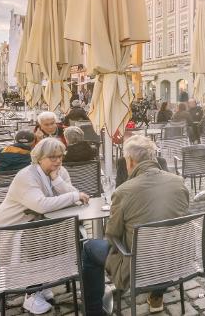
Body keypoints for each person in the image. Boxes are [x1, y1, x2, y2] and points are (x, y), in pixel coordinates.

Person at [81, 135, 189, 316]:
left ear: (130, 160)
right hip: (174, 257)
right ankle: (157, 294)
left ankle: (93, 312)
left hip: (138, 264)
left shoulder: (124, 191)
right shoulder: (178, 182)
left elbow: (112, 235)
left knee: (89, 248)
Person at [0, 137, 89, 315]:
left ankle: (43, 281)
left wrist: (57, 181)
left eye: (60, 156)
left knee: (58, 233)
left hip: (39, 224)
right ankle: (31, 293)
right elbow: (42, 204)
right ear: (39, 158)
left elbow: (73, 195)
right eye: (52, 157)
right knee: (37, 238)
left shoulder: (60, 171)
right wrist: (73, 197)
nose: (58, 161)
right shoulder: (27, 175)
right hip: (13, 227)